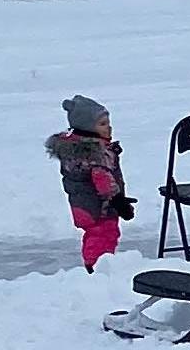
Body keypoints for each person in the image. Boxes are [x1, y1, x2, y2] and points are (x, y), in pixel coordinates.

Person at [45, 95, 134, 272]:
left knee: (96, 234)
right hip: (98, 207)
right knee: (104, 234)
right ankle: (96, 267)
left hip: (84, 205)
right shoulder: (95, 153)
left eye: (108, 122)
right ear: (87, 128)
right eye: (102, 124)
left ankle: (96, 263)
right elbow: (103, 181)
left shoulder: (77, 150)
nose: (108, 127)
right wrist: (118, 201)